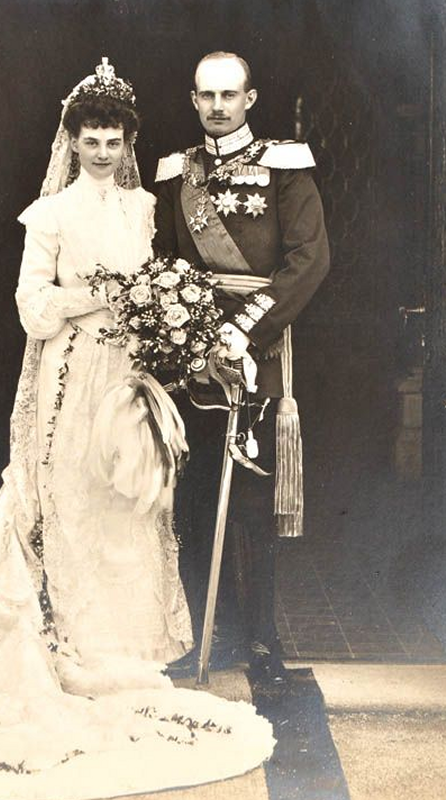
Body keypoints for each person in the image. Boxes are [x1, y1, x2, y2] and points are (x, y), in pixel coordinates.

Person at [0, 59, 275, 800]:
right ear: (71, 142)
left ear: (129, 143)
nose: (103, 152)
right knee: (71, 503)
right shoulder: (49, 217)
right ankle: (71, 649)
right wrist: (95, 297)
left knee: (129, 503)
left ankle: (126, 649)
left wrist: (153, 315)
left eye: (114, 140)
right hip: (71, 376)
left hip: (129, 378)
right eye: (91, 140)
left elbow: (162, 282)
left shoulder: (146, 208)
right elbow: (31, 309)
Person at [154, 51, 330, 683]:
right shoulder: (177, 174)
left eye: (230, 94)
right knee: (196, 498)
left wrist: (245, 328)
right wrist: (190, 333)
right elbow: (166, 263)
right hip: (194, 356)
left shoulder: (284, 166)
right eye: (207, 96)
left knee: (251, 500)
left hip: (258, 348)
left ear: (250, 99)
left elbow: (308, 261)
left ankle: (260, 640)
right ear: (194, 100)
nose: (218, 106)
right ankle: (208, 631)